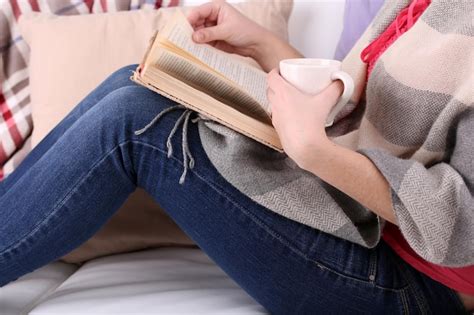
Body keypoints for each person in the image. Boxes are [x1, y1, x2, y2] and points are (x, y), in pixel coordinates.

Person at [1, 0, 473, 313]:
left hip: (412, 288)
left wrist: (311, 150)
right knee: (139, 82)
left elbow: (465, 225)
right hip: (351, 218)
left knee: (137, 123)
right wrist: (262, 45)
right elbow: (355, 109)